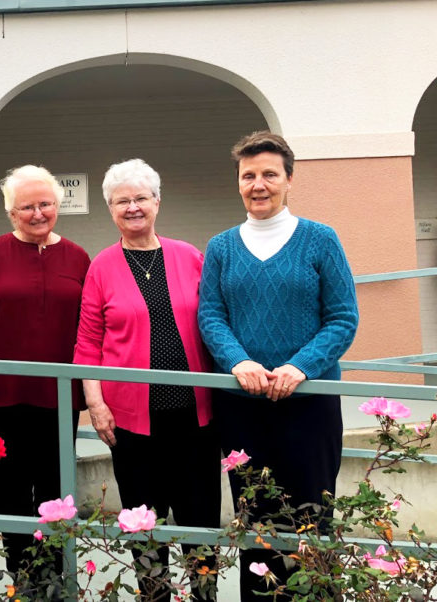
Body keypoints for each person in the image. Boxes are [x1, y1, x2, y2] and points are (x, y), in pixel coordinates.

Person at [198, 131, 359, 601]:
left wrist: (300, 367)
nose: (258, 184)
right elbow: (211, 315)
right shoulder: (221, 247)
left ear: (289, 179)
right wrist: (238, 360)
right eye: (248, 175)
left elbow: (343, 318)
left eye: (269, 174)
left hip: (308, 403)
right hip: (242, 407)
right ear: (238, 183)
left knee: (312, 518)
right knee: (255, 522)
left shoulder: (320, 239)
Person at [74, 159, 221, 601]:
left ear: (157, 202)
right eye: (122, 201)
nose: (133, 207)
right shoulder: (101, 266)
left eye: (141, 198)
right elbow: (88, 343)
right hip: (132, 423)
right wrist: (96, 404)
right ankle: (153, 595)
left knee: (200, 521)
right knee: (144, 525)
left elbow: (215, 322)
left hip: (195, 417)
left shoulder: (189, 256)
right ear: (110, 209)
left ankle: (205, 595)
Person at [0, 165, 90, 588]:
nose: (37, 213)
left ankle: (55, 577)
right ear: (11, 212)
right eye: (27, 207)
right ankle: (21, 579)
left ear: (57, 206)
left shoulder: (77, 257)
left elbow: (91, 324)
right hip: (1, 393)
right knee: (11, 487)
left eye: (45, 204)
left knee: (56, 486)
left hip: (60, 393)